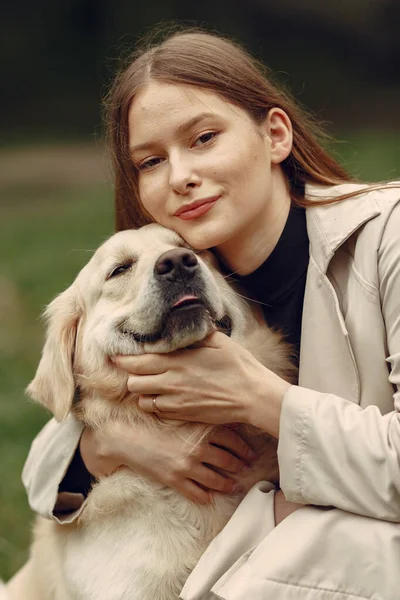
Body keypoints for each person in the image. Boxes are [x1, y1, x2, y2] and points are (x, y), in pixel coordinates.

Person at [19, 28, 400, 599]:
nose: (179, 176)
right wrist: (116, 445)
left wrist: (258, 397)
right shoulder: (181, 274)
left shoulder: (387, 237)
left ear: (275, 135)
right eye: (150, 161)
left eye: (203, 138)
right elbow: (43, 460)